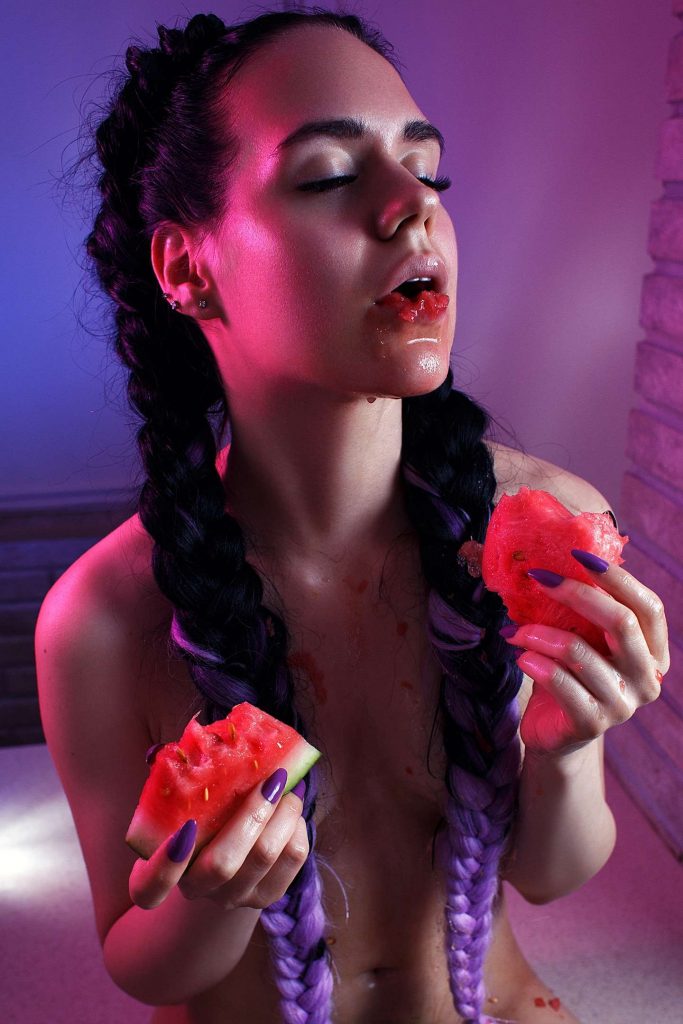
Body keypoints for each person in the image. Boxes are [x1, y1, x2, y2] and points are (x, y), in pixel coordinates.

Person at [35, 9, 669, 1024]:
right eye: (329, 174)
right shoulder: (101, 620)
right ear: (188, 268)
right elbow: (141, 963)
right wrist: (213, 894)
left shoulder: (546, 526)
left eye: (426, 170)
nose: (411, 206)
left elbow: (552, 875)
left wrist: (563, 746)